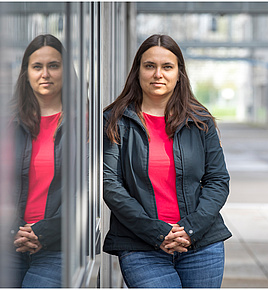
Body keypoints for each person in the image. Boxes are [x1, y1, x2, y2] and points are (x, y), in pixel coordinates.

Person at [102, 34, 232, 288]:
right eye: (150, 66)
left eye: (167, 67)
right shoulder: (115, 120)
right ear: (137, 71)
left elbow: (218, 180)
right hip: (141, 245)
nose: (158, 74)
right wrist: (157, 232)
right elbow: (110, 184)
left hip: (201, 244)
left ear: (179, 73)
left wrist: (190, 229)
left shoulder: (200, 120)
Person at [0, 34, 64, 287]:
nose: (45, 74)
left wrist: (43, 232)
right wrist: (14, 229)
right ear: (26, 72)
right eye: (37, 66)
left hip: (56, 247)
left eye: (53, 65)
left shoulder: (84, 125)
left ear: (66, 70)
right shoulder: (0, 120)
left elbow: (84, 191)